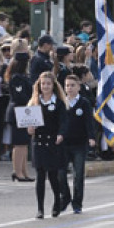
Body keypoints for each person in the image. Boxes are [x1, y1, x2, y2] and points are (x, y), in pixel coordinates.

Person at [28, 71, 69, 218]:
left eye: (48, 84)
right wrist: (30, 128)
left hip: (53, 141)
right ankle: (40, 208)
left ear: (53, 85)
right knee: (40, 175)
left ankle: (57, 202)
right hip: (39, 142)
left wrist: (60, 134)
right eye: (43, 83)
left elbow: (63, 122)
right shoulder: (34, 102)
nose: (45, 86)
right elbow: (29, 123)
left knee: (53, 175)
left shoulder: (58, 103)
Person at [59, 74, 97, 214]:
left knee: (78, 174)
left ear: (79, 87)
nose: (69, 88)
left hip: (79, 144)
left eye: (72, 85)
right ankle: (65, 196)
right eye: (67, 85)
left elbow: (89, 121)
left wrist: (91, 137)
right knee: (60, 173)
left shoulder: (84, 103)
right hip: (63, 143)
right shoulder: (61, 102)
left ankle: (77, 203)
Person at [5, 48, 33, 182]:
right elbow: (19, 96)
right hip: (18, 111)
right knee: (19, 144)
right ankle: (17, 171)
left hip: (24, 111)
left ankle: (24, 171)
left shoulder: (23, 77)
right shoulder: (16, 78)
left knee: (25, 143)